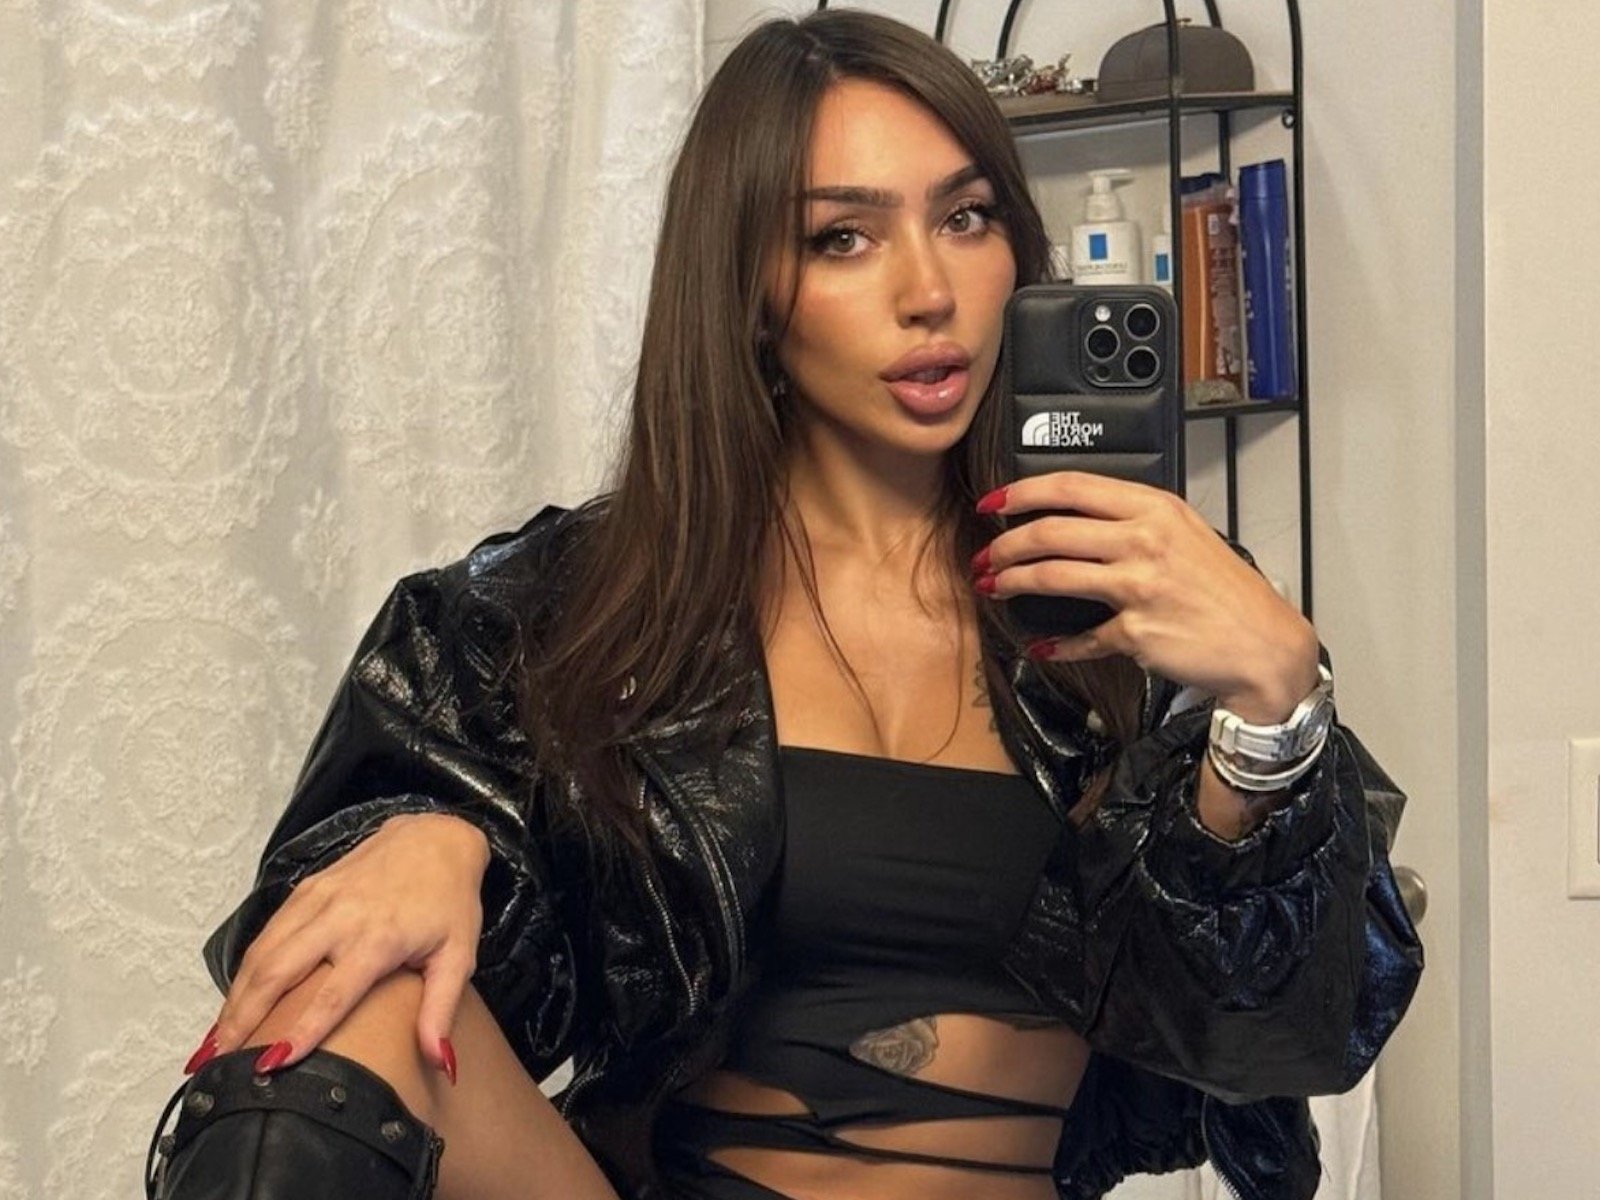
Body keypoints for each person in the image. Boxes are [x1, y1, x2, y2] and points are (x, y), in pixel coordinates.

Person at [146, 11, 1421, 1200]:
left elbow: (1269, 1040)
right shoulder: (568, 609)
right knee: (335, 1008)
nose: (928, 289)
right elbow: (335, 959)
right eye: (842, 238)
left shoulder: (1136, 602)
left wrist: (1273, 711)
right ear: (749, 290)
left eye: (965, 217)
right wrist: (428, 831)